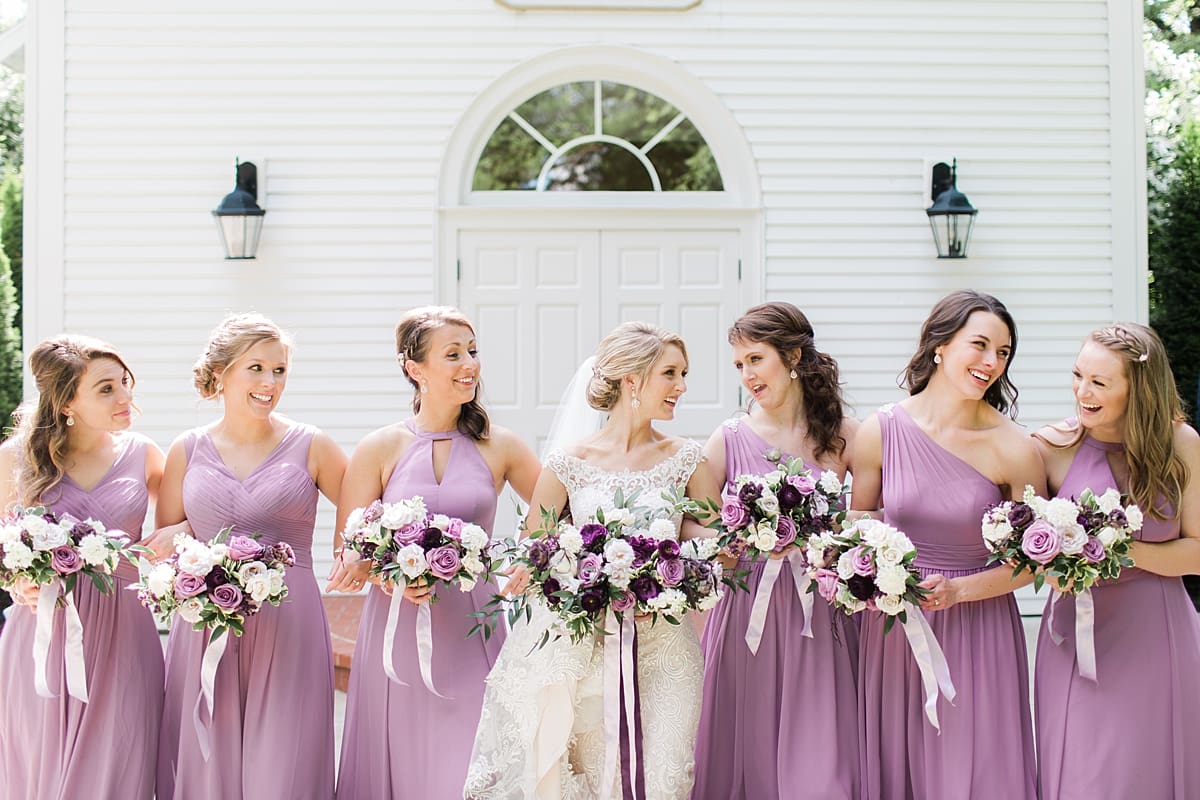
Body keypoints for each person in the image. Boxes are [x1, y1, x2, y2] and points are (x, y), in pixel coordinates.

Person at [465, 321, 705, 800]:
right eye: (671, 374)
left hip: (666, 651)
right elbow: (535, 552)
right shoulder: (568, 463)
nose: (682, 387)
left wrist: (675, 574)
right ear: (632, 380)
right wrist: (567, 576)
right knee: (598, 776)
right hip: (589, 651)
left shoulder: (688, 458)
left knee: (667, 774)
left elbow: (711, 547)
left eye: (683, 374)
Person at [329, 306, 539, 799]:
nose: (469, 363)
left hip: (475, 627)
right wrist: (384, 572)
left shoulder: (500, 445)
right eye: (453, 355)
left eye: (472, 351)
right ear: (414, 368)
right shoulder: (379, 447)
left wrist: (528, 558)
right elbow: (346, 553)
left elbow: (559, 516)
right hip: (397, 627)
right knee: (402, 755)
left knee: (471, 754)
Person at [851, 290, 1043, 800]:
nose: (991, 363)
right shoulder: (879, 432)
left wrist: (961, 591)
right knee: (898, 764)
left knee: (976, 766)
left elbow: (1036, 562)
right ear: (939, 345)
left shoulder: (1015, 448)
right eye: (979, 345)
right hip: (893, 631)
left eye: (1003, 353)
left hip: (979, 629)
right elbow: (854, 537)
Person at [156, 314, 347, 799]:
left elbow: (359, 525)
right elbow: (163, 539)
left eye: (279, 370)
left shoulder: (314, 445)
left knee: (283, 757)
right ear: (221, 373)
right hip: (205, 621)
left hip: (289, 622)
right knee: (205, 755)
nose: (270, 383)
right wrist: (188, 537)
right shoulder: (187, 449)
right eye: (256, 368)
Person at [0, 335, 184, 799]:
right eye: (106, 389)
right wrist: (16, 577)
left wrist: (178, 534)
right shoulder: (14, 458)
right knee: (40, 763)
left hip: (125, 634)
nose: (125, 397)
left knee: (120, 761)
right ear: (66, 403)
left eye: (124, 383)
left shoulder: (144, 454)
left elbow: (179, 528)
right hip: (42, 635)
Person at [690, 302, 860, 799]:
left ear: (794, 355)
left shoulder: (845, 435)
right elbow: (695, 524)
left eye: (755, 360)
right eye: (739, 365)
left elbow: (875, 516)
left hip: (822, 609)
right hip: (748, 612)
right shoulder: (727, 438)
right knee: (749, 742)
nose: (746, 375)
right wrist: (728, 542)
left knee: (822, 752)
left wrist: (821, 528)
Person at [1033, 323, 1200, 798]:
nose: (1081, 392)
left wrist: (1113, 548)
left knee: (1150, 768)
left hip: (1158, 634)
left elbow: (1198, 551)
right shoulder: (1049, 447)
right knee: (1086, 773)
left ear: (1139, 390)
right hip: (1074, 639)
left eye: (1100, 383)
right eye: (1078, 375)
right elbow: (1030, 553)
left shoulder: (1181, 444)